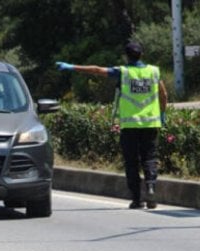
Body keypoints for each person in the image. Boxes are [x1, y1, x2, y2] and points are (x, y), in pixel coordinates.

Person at [56, 41, 168, 209]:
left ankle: (137, 199)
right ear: (142, 54)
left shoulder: (123, 72)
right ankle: (151, 187)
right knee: (149, 158)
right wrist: (162, 112)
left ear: (126, 56)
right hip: (151, 124)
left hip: (130, 126)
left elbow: (97, 70)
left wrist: (72, 67)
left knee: (131, 162)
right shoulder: (153, 71)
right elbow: (163, 93)